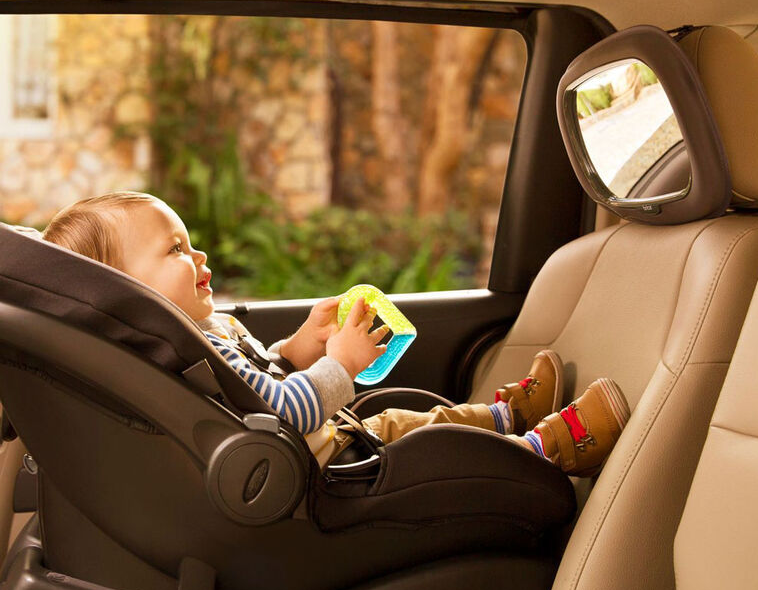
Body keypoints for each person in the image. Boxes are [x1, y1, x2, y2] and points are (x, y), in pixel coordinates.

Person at [42, 191, 630, 476]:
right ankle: (544, 449)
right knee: (436, 450)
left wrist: (295, 348)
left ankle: (504, 418)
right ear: (125, 293)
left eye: (191, 241)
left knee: (423, 425)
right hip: (331, 471)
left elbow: (253, 386)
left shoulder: (199, 338)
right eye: (175, 249)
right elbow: (286, 411)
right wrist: (341, 364)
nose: (198, 255)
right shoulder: (179, 359)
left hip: (336, 444)